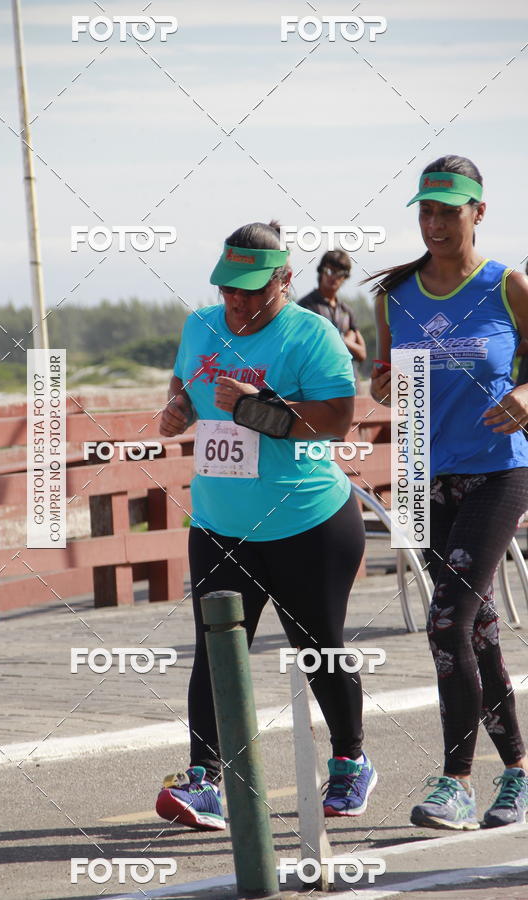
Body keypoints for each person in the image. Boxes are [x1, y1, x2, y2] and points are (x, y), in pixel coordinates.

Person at [155, 221, 377, 831]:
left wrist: (255, 409)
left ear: (284, 280)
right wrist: (175, 409)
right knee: (217, 651)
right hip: (220, 524)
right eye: (230, 288)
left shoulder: (312, 335)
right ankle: (205, 781)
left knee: (317, 649)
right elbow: (183, 386)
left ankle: (351, 760)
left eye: (253, 290)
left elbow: (338, 420)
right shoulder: (200, 325)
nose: (239, 302)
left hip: (308, 522)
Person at [369, 155, 528, 831]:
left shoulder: (507, 285)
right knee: (477, 627)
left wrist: (526, 392)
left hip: (496, 468)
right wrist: (380, 384)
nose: (434, 223)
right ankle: (518, 771)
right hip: (417, 474)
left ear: (478, 212)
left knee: (447, 623)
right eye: (425, 211)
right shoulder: (395, 292)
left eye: (448, 211)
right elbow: (382, 370)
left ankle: (456, 781)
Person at [298, 250, 367, 375]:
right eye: (330, 271)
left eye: (339, 274)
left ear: (345, 277)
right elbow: (307, 349)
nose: (333, 277)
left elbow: (362, 353)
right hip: (319, 382)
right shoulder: (305, 307)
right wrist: (345, 340)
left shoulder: (346, 311)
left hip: (350, 382)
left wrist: (339, 340)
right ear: (321, 271)